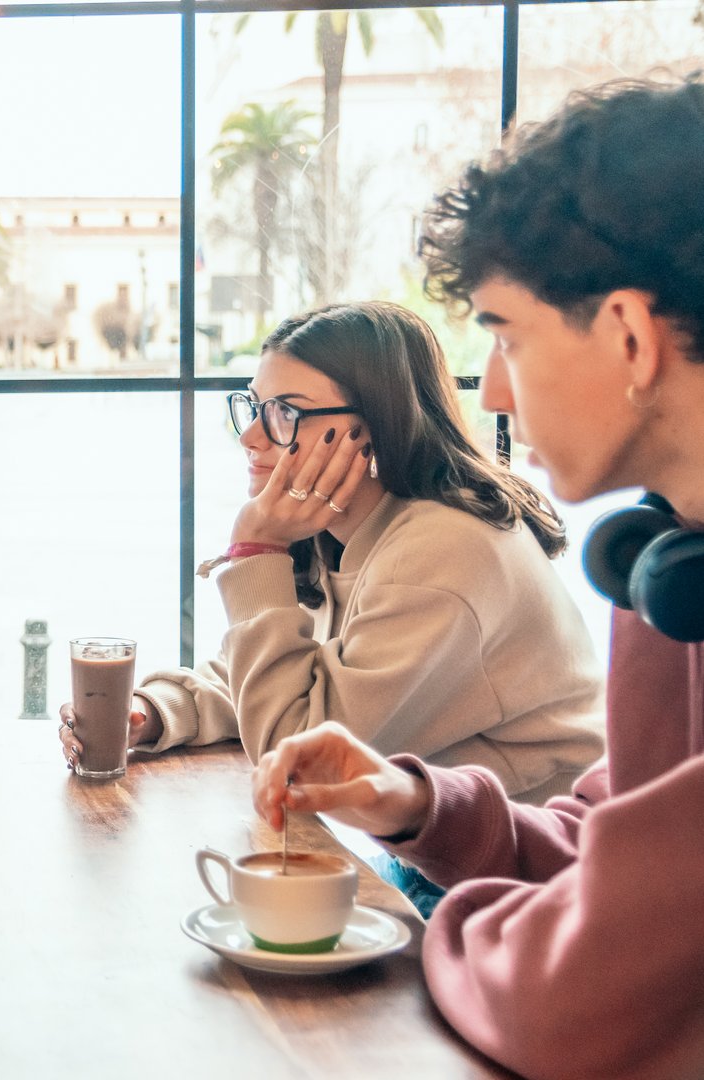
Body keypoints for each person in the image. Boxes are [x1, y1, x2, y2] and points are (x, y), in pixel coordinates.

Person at [251, 75, 704, 1079]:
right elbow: (607, 835)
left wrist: (447, 923)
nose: (490, 389)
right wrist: (416, 807)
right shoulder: (671, 568)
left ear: (628, 336)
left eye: (502, 333)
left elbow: (566, 1010)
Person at [59, 301, 604, 808]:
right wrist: (154, 712)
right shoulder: (350, 530)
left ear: (375, 427)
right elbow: (293, 675)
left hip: (537, 872)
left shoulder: (441, 552)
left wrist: (257, 549)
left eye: (283, 412)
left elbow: (299, 754)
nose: (250, 436)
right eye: (253, 406)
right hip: (446, 851)